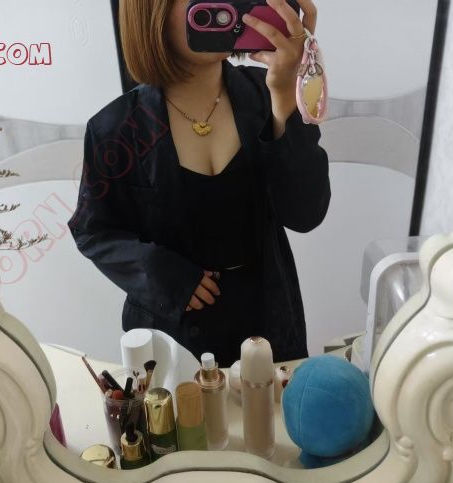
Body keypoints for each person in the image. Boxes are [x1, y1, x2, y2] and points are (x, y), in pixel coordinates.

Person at [68, 0, 330, 367]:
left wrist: (288, 101)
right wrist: (160, 273)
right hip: (172, 341)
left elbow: (306, 214)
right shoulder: (115, 128)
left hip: (269, 328)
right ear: (151, 12)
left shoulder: (268, 94)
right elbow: (92, 230)